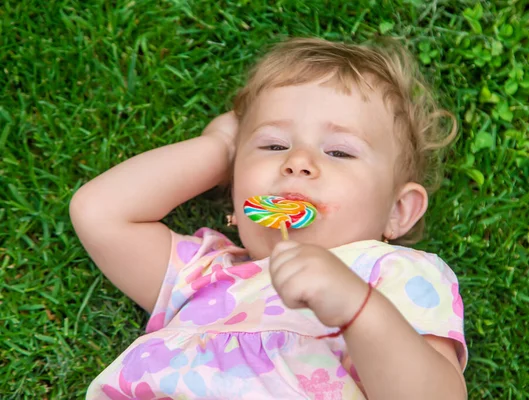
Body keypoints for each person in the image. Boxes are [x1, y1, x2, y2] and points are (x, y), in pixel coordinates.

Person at [71, 37, 468, 399]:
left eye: (339, 152)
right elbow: (100, 213)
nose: (297, 162)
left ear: (398, 211)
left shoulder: (394, 275)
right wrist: (220, 148)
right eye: (273, 145)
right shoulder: (206, 274)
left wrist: (357, 307)